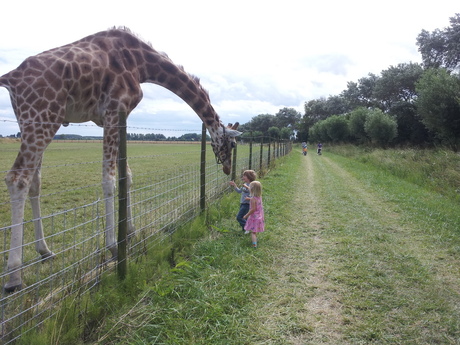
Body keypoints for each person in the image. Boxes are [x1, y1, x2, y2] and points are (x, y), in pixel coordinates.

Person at [243, 181, 265, 248]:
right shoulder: (259, 196)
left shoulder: (253, 199)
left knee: (253, 232)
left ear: (252, 190)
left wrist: (246, 215)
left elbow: (253, 209)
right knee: (255, 230)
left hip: (254, 217)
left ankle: (254, 244)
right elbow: (251, 190)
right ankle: (255, 239)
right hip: (260, 216)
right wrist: (247, 187)